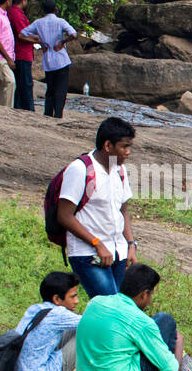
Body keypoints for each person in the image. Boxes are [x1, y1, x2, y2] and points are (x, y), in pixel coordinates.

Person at [58, 117, 137, 299]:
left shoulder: (119, 170)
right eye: (124, 146)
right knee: (111, 306)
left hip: (117, 252)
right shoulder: (80, 169)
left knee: (111, 307)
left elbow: (122, 210)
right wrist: (97, 243)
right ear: (108, 146)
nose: (128, 152)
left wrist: (130, 244)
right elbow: (64, 216)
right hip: (88, 253)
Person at [12, 271, 82, 371]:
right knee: (86, 332)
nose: (76, 301)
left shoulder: (36, 308)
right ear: (56, 299)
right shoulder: (58, 314)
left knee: (78, 325)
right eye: (72, 296)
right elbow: (94, 324)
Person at [20, 0, 78, 119]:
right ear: (55, 9)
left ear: (43, 10)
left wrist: (40, 42)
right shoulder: (60, 21)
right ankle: (58, 114)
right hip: (61, 59)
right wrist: (62, 42)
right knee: (61, 89)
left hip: (48, 60)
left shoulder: (38, 23)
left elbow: (22, 34)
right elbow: (73, 34)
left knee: (50, 89)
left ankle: (47, 114)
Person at [7, 0, 34, 112]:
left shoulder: (13, 12)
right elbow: (22, 34)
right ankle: (27, 108)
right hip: (22, 53)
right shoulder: (16, 14)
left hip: (21, 52)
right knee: (25, 83)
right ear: (23, 0)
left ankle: (19, 106)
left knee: (21, 82)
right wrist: (39, 40)